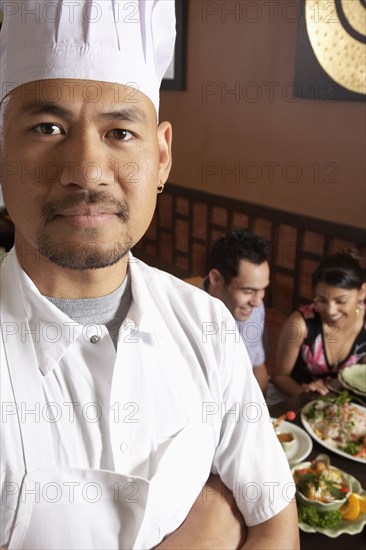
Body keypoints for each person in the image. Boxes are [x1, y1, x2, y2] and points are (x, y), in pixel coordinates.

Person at [0, 2, 299, 549]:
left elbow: (276, 519)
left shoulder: (205, 322)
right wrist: (208, 528)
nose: (87, 171)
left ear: (161, 157)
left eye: (120, 132)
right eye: (47, 127)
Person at [272, 252, 366, 397]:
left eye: (341, 301)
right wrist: (306, 395)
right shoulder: (299, 325)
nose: (330, 311)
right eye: (321, 300)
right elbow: (279, 377)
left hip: (345, 403)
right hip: (297, 400)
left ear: (362, 292)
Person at [202, 230, 270, 395]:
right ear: (216, 279)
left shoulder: (252, 306)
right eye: (248, 290)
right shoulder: (185, 315)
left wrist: (261, 412)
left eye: (262, 289)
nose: (257, 301)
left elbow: (256, 364)